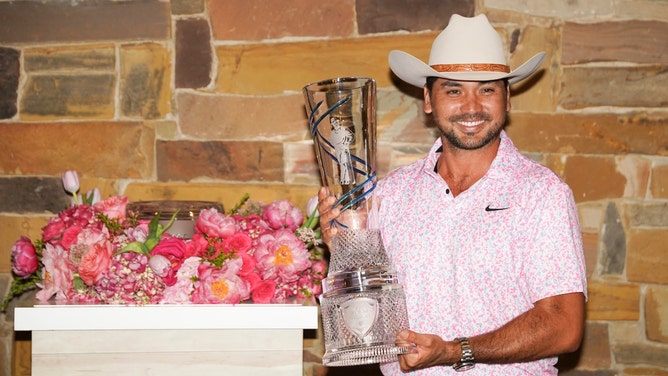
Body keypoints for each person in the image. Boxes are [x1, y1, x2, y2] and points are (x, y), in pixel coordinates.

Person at [317, 14, 587, 375]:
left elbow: (564, 326)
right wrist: (346, 253)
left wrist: (454, 351)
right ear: (429, 99)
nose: (472, 106)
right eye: (454, 90)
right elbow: (369, 323)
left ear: (508, 99)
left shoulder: (541, 194)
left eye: (487, 89)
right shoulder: (391, 194)